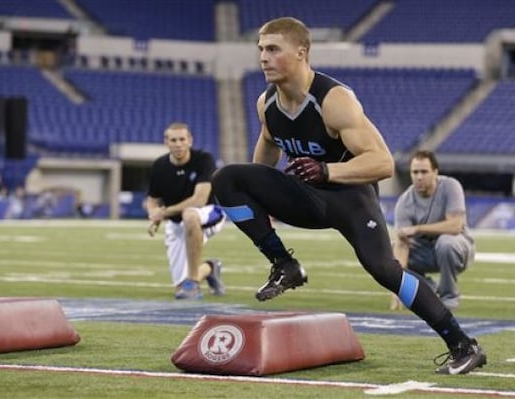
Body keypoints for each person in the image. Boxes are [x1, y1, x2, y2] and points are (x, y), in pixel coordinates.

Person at [211, 17, 486, 375]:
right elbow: (266, 147)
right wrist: (259, 195)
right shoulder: (267, 104)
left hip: (350, 198)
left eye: (273, 49)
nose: (263, 57)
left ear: (301, 53)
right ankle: (285, 265)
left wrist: (328, 171)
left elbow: (383, 163)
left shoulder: (334, 100)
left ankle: (463, 345)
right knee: (227, 179)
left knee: (384, 270)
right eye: (261, 49)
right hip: (307, 195)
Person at [146, 122, 226, 300]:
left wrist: (163, 212)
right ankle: (210, 268)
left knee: (190, 214)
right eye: (173, 140)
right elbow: (152, 199)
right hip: (176, 224)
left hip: (210, 214)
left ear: (190, 140)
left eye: (182, 139)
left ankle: (194, 282)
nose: (178, 144)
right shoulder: (159, 166)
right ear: (166, 142)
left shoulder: (204, 159)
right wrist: (153, 214)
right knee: (180, 289)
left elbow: (199, 200)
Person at [391, 150, 475, 311]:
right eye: (415, 172)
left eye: (424, 172)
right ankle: (427, 288)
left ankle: (449, 296)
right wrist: (397, 289)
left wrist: (417, 229)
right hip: (425, 252)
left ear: (435, 172)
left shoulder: (451, 186)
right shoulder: (404, 202)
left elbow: (455, 226)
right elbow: (402, 245)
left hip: (457, 249)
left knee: (446, 242)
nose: (419, 177)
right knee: (389, 252)